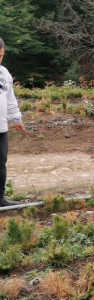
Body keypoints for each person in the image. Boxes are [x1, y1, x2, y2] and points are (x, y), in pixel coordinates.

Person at [0, 38, 27, 207]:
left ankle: (0, 199)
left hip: (1, 128)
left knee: (1, 163)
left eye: (0, 56)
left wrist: (16, 119)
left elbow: (10, 98)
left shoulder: (4, 73)